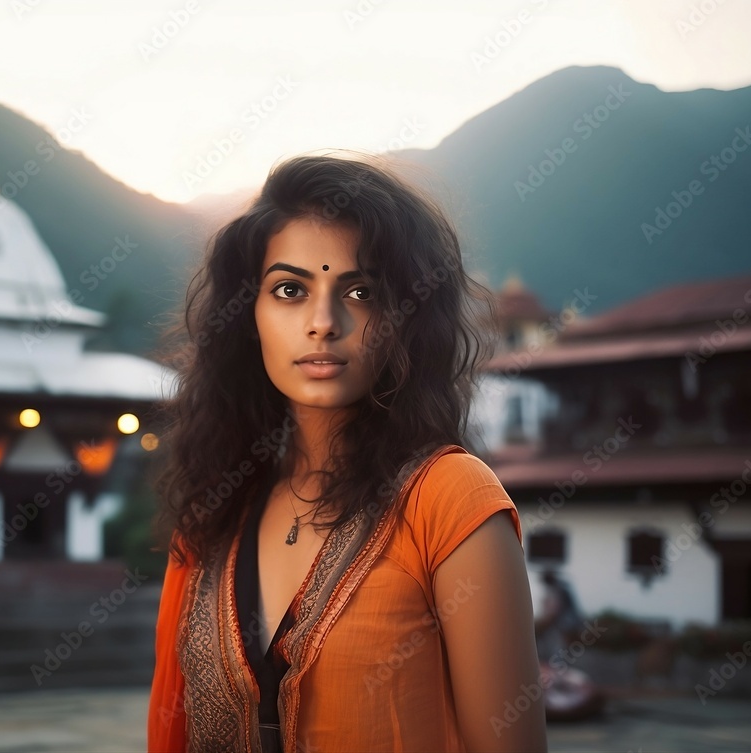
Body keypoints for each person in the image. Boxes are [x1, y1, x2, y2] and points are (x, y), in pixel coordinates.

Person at [147, 154, 546, 752]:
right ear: (247, 315)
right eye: (289, 290)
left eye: (359, 292)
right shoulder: (215, 510)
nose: (323, 323)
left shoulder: (448, 498)